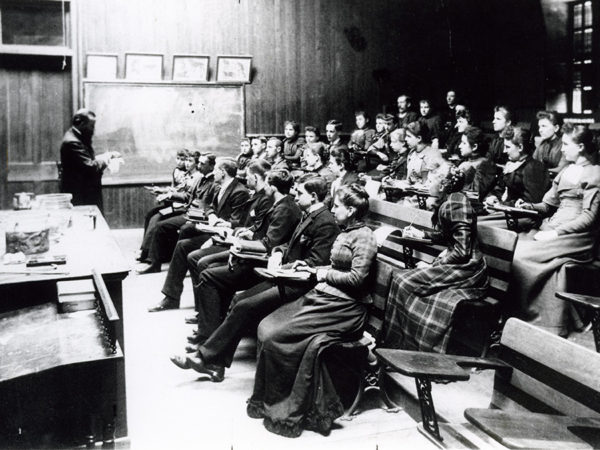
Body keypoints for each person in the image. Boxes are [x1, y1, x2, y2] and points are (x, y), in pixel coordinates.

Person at [170, 175, 340, 380]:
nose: (295, 194)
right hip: (284, 276)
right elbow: (289, 244)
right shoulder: (308, 214)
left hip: (300, 285)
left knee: (244, 306)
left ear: (313, 196)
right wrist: (278, 252)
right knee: (239, 300)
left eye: (300, 192)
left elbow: (315, 263)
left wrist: (284, 266)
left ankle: (206, 359)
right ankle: (214, 362)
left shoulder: (325, 223)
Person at [246, 184, 378, 438]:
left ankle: (287, 406)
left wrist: (322, 273)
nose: (332, 209)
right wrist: (308, 268)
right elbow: (339, 264)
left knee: (278, 336)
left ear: (351, 210)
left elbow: (357, 279)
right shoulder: (346, 231)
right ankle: (267, 399)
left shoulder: (364, 236)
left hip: (345, 308)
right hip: (325, 298)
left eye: (337, 206)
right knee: (267, 325)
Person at [381, 166, 489, 352]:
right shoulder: (452, 200)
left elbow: (462, 252)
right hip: (458, 264)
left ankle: (408, 345)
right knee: (399, 278)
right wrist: (421, 234)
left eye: (431, 181)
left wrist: (434, 265)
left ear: (442, 186)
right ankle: (400, 343)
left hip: (467, 269)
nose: (427, 184)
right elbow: (446, 236)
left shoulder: (454, 204)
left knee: (402, 280)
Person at [185, 169, 302, 333]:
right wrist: (250, 232)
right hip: (254, 256)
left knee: (208, 274)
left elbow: (267, 245)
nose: (264, 187)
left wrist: (238, 244)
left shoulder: (284, 209)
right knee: (208, 269)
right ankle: (211, 325)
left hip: (261, 262)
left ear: (273, 188)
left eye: (267, 183)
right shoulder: (280, 204)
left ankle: (207, 332)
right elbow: (263, 230)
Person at [148, 159, 273, 312]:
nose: (214, 172)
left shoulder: (240, 191)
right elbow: (207, 206)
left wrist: (220, 224)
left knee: (187, 249)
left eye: (216, 170)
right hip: (216, 229)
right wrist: (212, 216)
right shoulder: (219, 187)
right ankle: (173, 297)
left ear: (223, 172)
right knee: (184, 236)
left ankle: (198, 308)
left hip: (226, 235)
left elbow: (237, 222)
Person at [511, 124, 600, 336]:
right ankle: (520, 316)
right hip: (552, 226)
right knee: (512, 249)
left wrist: (557, 233)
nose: (561, 149)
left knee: (521, 258)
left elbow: (589, 217)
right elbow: (548, 205)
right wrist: (529, 206)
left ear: (580, 147)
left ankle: (539, 320)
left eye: (566, 145)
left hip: (577, 236)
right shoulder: (566, 171)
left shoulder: (595, 174)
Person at [138, 157, 249, 274]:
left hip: (197, 214)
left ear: (212, 167)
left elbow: (205, 204)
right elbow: (188, 196)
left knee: (165, 225)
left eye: (202, 163)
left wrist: (203, 215)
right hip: (189, 211)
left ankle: (165, 262)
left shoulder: (216, 183)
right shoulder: (199, 179)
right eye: (199, 163)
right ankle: (149, 255)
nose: (199, 166)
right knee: (155, 215)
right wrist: (169, 194)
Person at [59, 108, 121, 211]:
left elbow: (85, 161)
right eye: (91, 126)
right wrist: (107, 159)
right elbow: (90, 167)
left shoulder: (75, 137)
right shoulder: (72, 142)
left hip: (83, 191)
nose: (93, 130)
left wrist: (104, 156)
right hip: (81, 194)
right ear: (80, 123)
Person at [484, 126, 548, 213]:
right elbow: (499, 189)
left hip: (519, 215)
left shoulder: (533, 168)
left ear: (520, 147)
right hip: (502, 210)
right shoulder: (512, 164)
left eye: (508, 147)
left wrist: (501, 204)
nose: (504, 151)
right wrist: (492, 197)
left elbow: (530, 201)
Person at [457, 126, 497, 202]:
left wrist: (467, 171)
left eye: (464, 143)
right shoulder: (465, 161)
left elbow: (475, 194)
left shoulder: (485, 164)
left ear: (474, 146)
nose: (460, 146)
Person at [533, 110, 568, 178]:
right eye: (539, 126)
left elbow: (561, 169)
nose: (540, 130)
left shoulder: (564, 144)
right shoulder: (542, 144)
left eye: (544, 126)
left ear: (556, 128)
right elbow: (533, 164)